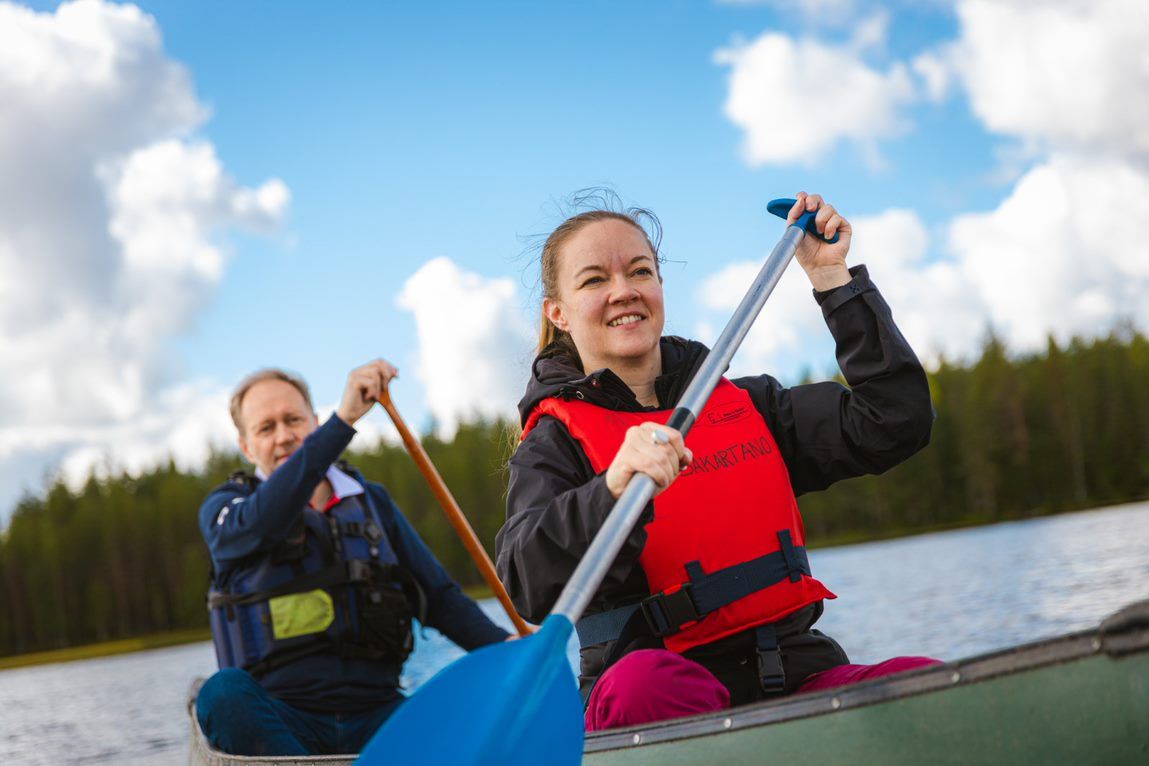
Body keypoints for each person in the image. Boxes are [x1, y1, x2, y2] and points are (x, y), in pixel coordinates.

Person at [496, 192, 940, 731]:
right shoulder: (552, 444)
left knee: (930, 685)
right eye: (594, 280)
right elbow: (527, 584)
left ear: (659, 287)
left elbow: (895, 420)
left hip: (798, 675)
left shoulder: (750, 406)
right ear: (558, 312)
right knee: (648, 688)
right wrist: (609, 490)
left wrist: (833, 281)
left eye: (640, 271)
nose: (624, 291)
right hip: (657, 694)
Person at [197, 360, 509, 756]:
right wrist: (342, 421)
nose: (283, 436)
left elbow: (440, 598)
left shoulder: (370, 501)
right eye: (266, 427)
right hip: (283, 719)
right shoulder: (226, 509)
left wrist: (509, 648)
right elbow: (264, 522)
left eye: (293, 420)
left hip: (380, 714)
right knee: (221, 694)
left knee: (475, 695)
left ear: (312, 421)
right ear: (246, 446)